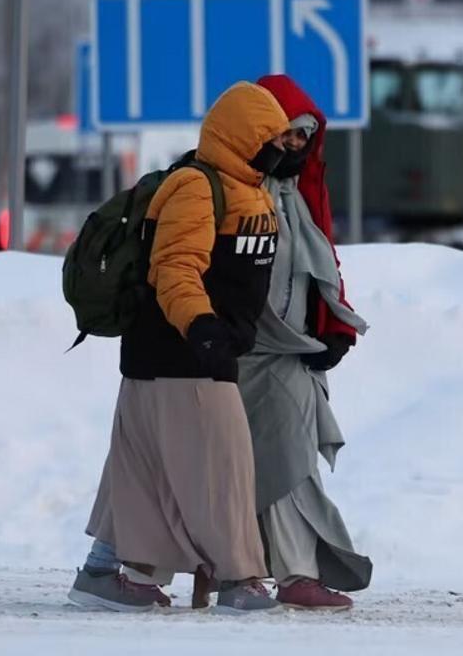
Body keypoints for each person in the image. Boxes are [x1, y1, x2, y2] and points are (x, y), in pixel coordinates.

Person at [69, 81, 292, 614]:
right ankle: (239, 580)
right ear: (244, 137)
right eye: (275, 139)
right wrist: (202, 327)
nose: (283, 150)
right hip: (187, 354)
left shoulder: (250, 189)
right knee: (225, 467)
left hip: (169, 356)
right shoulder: (197, 187)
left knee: (147, 470)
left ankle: (105, 573)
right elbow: (174, 267)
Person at [237, 73, 371, 610]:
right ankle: (258, 572)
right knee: (253, 462)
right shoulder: (232, 188)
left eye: (304, 138)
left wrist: (334, 326)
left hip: (291, 352)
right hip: (238, 349)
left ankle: (293, 574)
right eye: (288, 133)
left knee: (290, 455)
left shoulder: (302, 192)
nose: (296, 145)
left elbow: (322, 262)